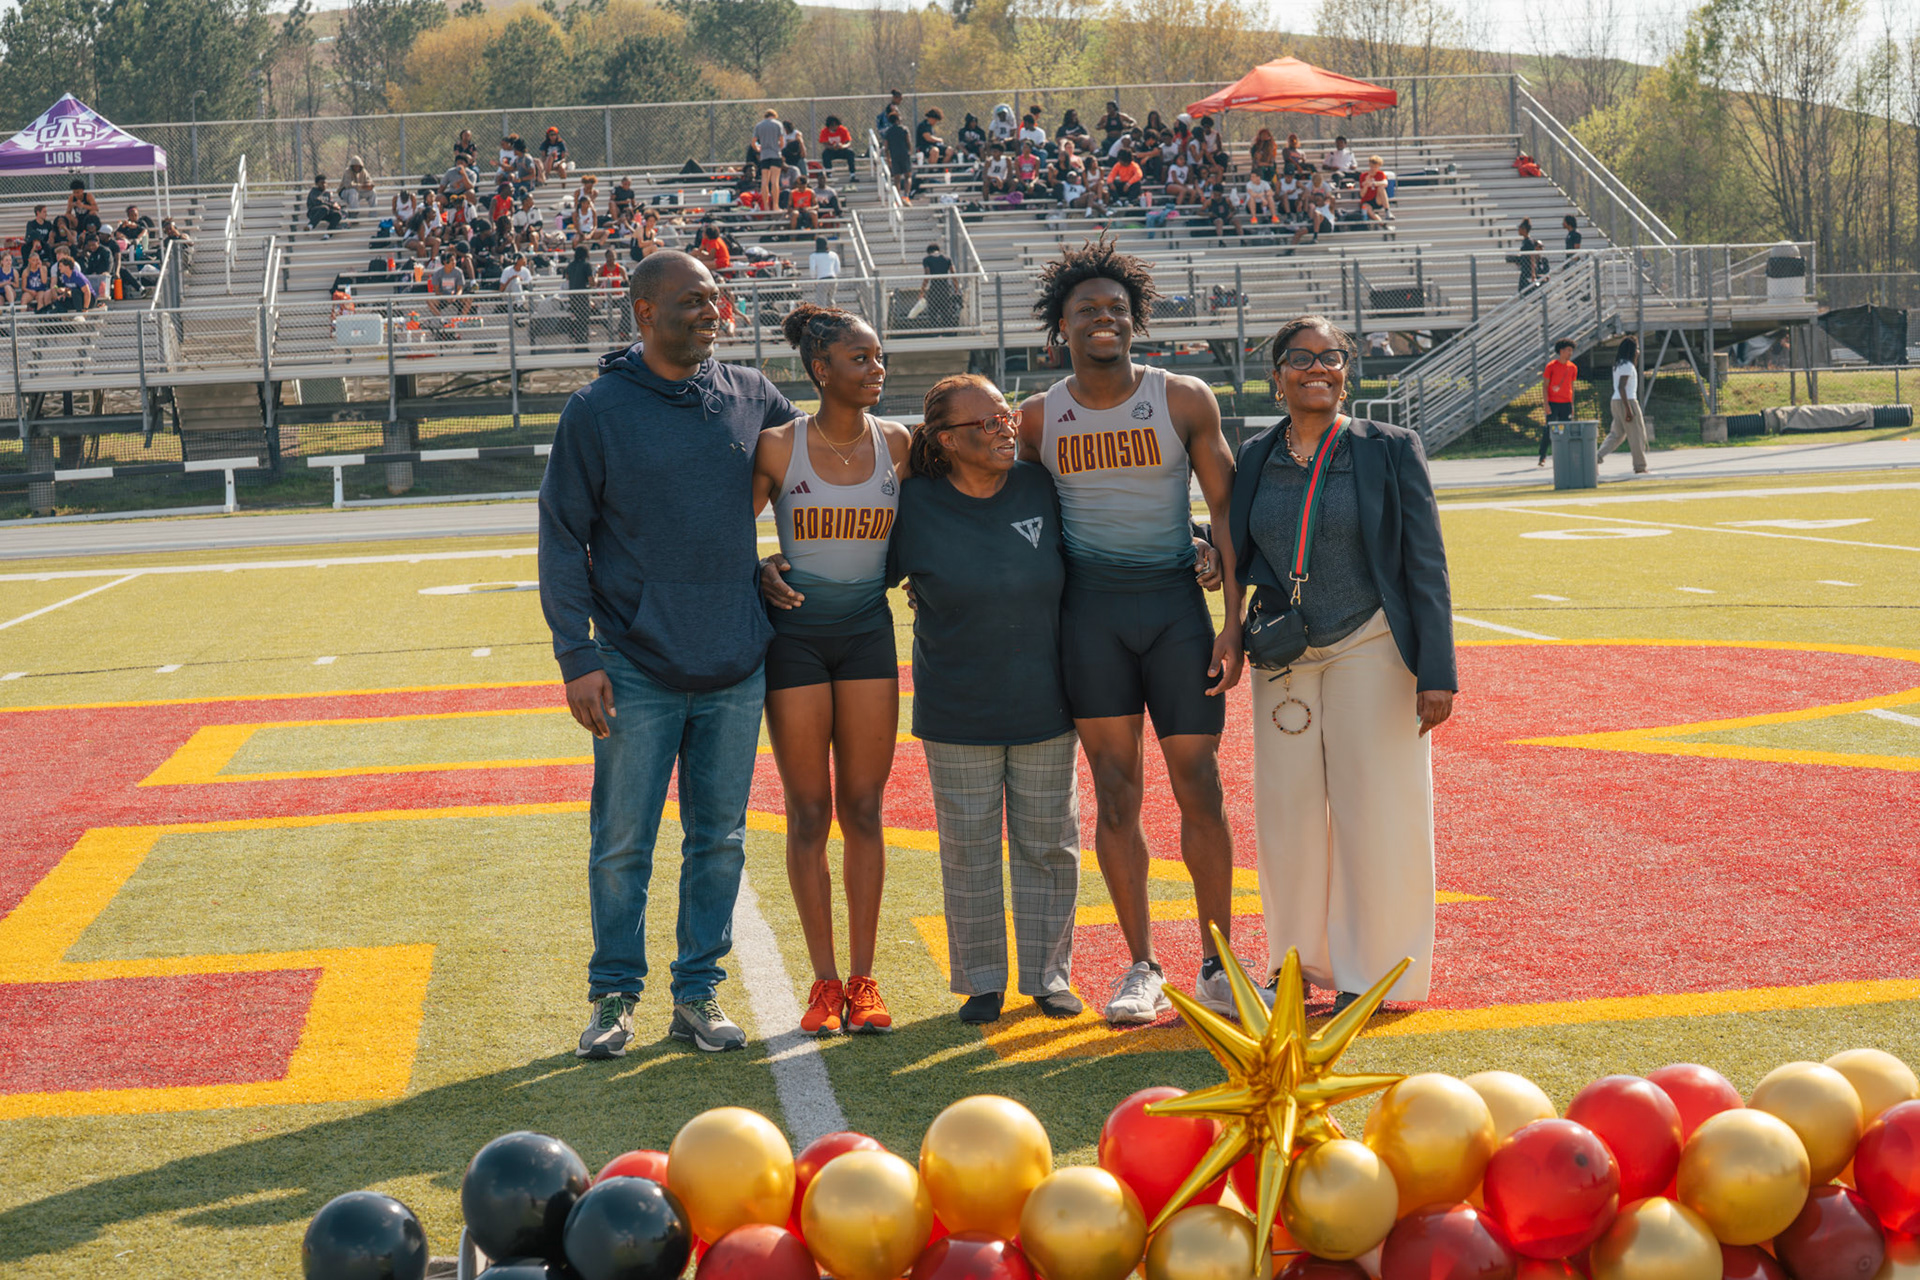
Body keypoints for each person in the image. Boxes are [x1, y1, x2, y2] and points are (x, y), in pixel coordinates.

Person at [539, 250, 800, 1058]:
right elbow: (562, 534)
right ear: (644, 312)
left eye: (715, 298)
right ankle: (614, 994)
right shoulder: (597, 409)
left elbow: (819, 469)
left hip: (736, 657)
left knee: (719, 840)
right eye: (691, 300)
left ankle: (696, 993)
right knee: (623, 842)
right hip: (633, 663)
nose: (710, 311)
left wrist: (781, 559)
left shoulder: (753, 394)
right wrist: (576, 655)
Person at [1015, 241, 1250, 1026]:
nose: (1103, 318)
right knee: (1116, 794)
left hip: (1177, 614)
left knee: (1200, 784)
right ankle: (1142, 965)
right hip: (1092, 622)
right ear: (1061, 325)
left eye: (1117, 308)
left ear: (1135, 319)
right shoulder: (1037, 417)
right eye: (1086, 309)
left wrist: (1232, 621)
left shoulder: (1182, 397)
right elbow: (1008, 514)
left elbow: (1225, 512)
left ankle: (1218, 965)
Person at [1228, 315, 1455, 1015]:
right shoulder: (1255, 454)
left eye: (1331, 357)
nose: (1317, 368)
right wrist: (1207, 552)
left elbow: (1425, 560)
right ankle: (1293, 965)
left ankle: (1374, 972)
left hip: (1372, 641)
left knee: (1376, 809)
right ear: (1277, 377)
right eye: (1300, 358)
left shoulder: (1389, 448)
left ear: (1347, 372)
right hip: (1286, 650)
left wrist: (1437, 671)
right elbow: (1242, 545)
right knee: (1287, 815)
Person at [884, 374, 1083, 1025]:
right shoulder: (913, 502)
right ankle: (981, 982)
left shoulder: (1039, 485)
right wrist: (774, 568)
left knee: (1049, 845)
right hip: (956, 707)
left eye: (1007, 415)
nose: (1006, 428)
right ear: (945, 441)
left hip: (1047, 701)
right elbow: (860, 568)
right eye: (988, 422)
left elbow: (1101, 537)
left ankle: (1048, 976)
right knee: (968, 849)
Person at [752, 305, 911, 1037]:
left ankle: (864, 980)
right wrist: (759, 565)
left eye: (878, 358)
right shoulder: (779, 446)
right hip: (796, 643)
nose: (876, 370)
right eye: (860, 359)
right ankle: (823, 982)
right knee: (810, 811)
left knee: (865, 808)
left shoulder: (898, 442)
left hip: (869, 638)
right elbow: (729, 534)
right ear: (821, 370)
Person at [1599, 336, 1650, 474]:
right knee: (1637, 434)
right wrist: (1628, 410)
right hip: (1627, 400)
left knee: (1617, 434)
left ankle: (1596, 457)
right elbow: (1622, 387)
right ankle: (1640, 466)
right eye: (1637, 348)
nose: (1638, 351)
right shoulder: (1627, 366)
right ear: (1631, 350)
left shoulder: (1619, 365)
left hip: (1616, 401)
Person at [1541, 339, 1577, 467]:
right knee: (1549, 429)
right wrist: (1546, 404)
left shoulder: (1573, 367)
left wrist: (1572, 405)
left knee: (1566, 430)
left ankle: (1565, 455)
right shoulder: (1551, 366)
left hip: (1566, 403)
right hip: (1553, 403)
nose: (1570, 353)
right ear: (1561, 351)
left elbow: (1572, 387)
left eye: (1571, 350)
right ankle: (1542, 456)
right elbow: (1545, 386)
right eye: (1568, 350)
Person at [919, 242, 958, 330]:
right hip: (945, 288)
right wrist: (956, 288)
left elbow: (927, 275)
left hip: (934, 288)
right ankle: (947, 331)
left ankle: (934, 332)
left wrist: (922, 291)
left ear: (929, 251)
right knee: (947, 312)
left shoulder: (927, 259)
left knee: (933, 312)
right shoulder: (947, 258)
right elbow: (953, 273)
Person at [754, 109, 785, 211]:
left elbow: (753, 142)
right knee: (774, 181)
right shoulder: (778, 124)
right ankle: (775, 205)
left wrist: (758, 149)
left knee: (764, 181)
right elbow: (782, 141)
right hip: (775, 154)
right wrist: (779, 148)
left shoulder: (759, 125)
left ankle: (766, 206)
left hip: (764, 155)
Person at [883, 111, 913, 198]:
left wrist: (888, 158)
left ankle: (897, 197)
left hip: (894, 156)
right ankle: (906, 195)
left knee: (897, 178)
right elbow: (908, 142)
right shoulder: (904, 129)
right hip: (904, 154)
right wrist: (910, 151)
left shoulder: (888, 132)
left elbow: (886, 147)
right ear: (898, 119)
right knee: (908, 176)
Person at [819, 115, 858, 181]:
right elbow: (825, 144)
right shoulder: (824, 131)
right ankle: (829, 174)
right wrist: (832, 147)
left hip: (842, 150)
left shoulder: (843, 129)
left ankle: (852, 174)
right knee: (825, 154)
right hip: (831, 151)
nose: (834, 127)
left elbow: (848, 142)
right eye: (832, 125)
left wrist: (842, 146)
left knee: (850, 153)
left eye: (835, 125)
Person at [1514, 218, 1546, 293]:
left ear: (1524, 229)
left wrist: (1533, 274)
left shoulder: (1529, 241)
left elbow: (1532, 257)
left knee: (1526, 290)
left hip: (1528, 270)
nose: (1518, 230)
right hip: (1524, 269)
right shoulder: (1525, 241)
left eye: (1520, 228)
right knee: (1522, 290)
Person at [808, 235, 841, 306]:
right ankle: (832, 312)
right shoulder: (833, 254)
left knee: (821, 302)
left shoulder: (813, 256)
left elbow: (812, 270)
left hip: (822, 279)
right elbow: (838, 270)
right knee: (830, 301)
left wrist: (814, 279)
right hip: (833, 279)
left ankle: (823, 313)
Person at [1358, 157, 1391, 222]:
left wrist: (1374, 183)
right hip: (1367, 200)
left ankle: (1387, 211)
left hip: (1377, 199)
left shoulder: (1380, 174)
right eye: (1372, 166)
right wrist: (1366, 184)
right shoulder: (1364, 175)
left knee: (1381, 187)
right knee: (1367, 209)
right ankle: (1382, 224)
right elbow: (1362, 195)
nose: (1373, 169)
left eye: (1376, 167)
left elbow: (1385, 183)